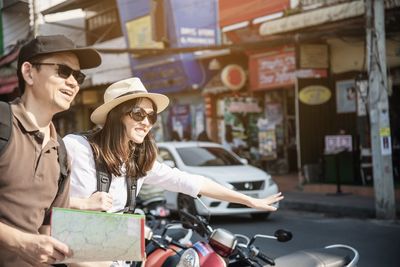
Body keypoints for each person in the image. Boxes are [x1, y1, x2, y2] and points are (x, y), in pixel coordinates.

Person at [63, 78, 283, 265]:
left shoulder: (138, 160)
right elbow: (39, 198)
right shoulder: (77, 147)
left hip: (117, 256)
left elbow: (191, 182)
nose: (147, 122)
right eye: (139, 114)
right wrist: (82, 204)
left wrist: (248, 201)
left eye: (152, 116)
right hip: (79, 256)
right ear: (116, 115)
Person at [0, 35, 101, 266]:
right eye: (63, 71)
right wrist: (21, 242)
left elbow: (49, 231)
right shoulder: (3, 123)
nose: (73, 82)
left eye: (78, 76)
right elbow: (29, 243)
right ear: (29, 72)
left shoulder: (61, 152)